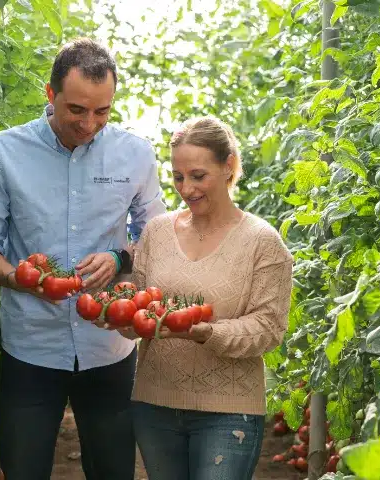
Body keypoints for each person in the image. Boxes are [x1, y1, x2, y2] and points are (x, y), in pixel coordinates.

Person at [0, 37, 166, 480]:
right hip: (31, 345)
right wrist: (23, 280)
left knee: (114, 469)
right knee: (22, 469)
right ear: (50, 94)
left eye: (102, 111)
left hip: (108, 345)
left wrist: (120, 258)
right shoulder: (2, 152)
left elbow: (157, 235)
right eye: (77, 110)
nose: (89, 124)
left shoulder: (135, 153)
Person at [99, 116, 294, 479]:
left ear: (229, 166)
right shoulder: (157, 232)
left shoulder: (263, 243)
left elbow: (268, 328)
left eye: (198, 175)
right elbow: (142, 309)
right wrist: (118, 316)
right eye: (178, 177)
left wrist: (208, 332)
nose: (186, 189)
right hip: (154, 404)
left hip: (229, 412)